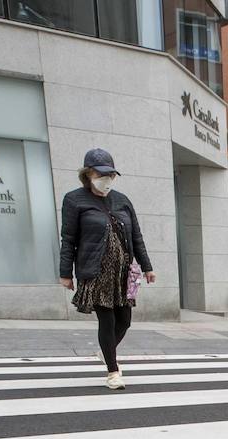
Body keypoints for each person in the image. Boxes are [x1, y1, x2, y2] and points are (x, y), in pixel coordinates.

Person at [59, 148, 155, 390]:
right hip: (96, 271)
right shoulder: (74, 199)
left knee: (125, 321)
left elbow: (136, 236)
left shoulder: (122, 200)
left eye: (111, 174)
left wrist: (147, 266)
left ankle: (107, 351)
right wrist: (65, 273)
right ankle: (113, 372)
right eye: (101, 174)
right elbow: (68, 238)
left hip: (123, 272)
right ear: (88, 174)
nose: (107, 179)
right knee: (108, 320)